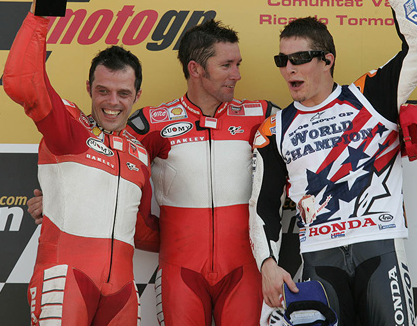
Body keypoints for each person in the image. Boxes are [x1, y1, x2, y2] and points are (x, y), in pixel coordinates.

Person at [249, 0, 417, 326]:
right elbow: (262, 205)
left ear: (327, 59)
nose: (289, 67)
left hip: (379, 246)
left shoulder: (370, 94)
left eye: (301, 57)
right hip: (319, 257)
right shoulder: (275, 128)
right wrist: (268, 263)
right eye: (282, 59)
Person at [28, 19, 278, 326]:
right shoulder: (151, 122)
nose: (237, 74)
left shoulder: (262, 115)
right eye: (227, 65)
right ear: (195, 68)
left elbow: (308, 152)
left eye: (237, 64)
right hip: (180, 270)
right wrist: (58, 198)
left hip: (246, 268)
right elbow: (100, 158)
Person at [4, 0, 158, 326]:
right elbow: (22, 84)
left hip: (121, 292)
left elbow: (144, 232)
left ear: (137, 95)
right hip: (66, 279)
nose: (112, 102)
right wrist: (43, 9)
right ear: (89, 89)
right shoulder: (71, 129)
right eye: (102, 91)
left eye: (123, 93)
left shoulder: (139, 153)